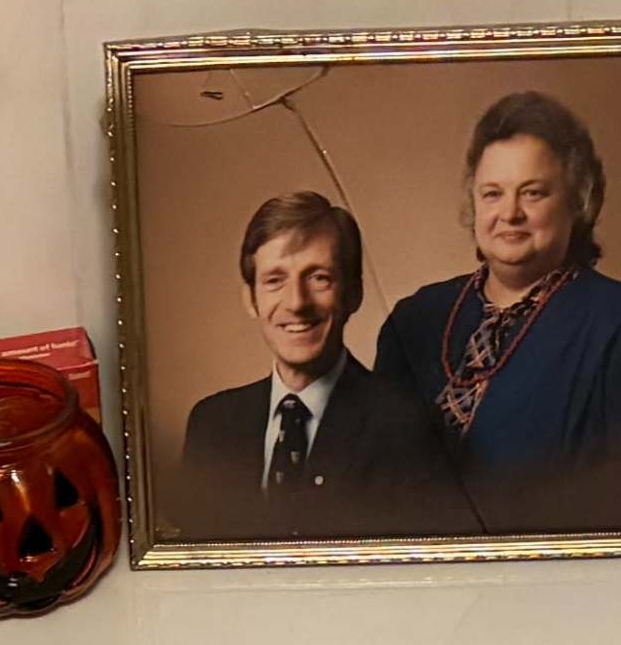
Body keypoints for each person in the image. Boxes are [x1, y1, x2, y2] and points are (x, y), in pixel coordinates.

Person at [374, 90, 621, 527]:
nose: (510, 213)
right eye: (492, 193)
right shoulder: (414, 319)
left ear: (578, 200)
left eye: (533, 193)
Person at [173, 191, 467, 541]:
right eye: (274, 280)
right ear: (251, 299)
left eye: (319, 278)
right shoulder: (211, 425)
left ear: (353, 294)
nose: (297, 303)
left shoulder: (406, 427)